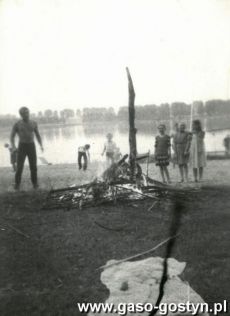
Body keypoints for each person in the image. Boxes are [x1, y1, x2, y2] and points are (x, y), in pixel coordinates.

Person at [10, 107, 44, 190]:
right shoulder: (17, 124)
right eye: (24, 113)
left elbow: (38, 135)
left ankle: (35, 184)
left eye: (27, 113)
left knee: (33, 167)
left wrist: (41, 145)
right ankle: (17, 184)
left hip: (31, 146)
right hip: (22, 146)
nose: (26, 115)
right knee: (19, 167)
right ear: (21, 115)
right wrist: (14, 147)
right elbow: (12, 136)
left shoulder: (34, 123)